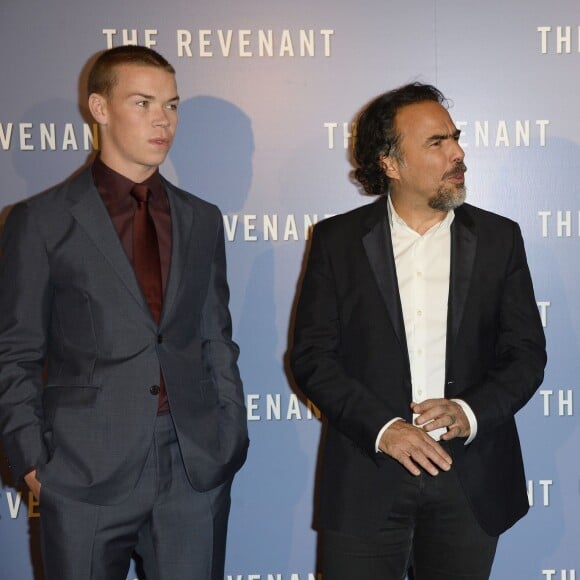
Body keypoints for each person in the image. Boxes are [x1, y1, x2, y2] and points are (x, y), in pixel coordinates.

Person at [0, 45, 248, 580]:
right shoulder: (40, 221)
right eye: (143, 102)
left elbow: (216, 339)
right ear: (100, 107)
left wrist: (227, 438)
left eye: (173, 105)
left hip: (192, 467)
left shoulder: (200, 218)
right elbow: (15, 351)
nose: (164, 119)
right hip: (83, 470)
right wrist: (33, 462)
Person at [290, 82, 546, 579]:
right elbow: (313, 358)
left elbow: (526, 354)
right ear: (390, 162)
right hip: (368, 474)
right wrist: (385, 430)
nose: (458, 152)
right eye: (436, 143)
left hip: (469, 479)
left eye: (455, 138)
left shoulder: (499, 238)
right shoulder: (338, 241)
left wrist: (469, 412)